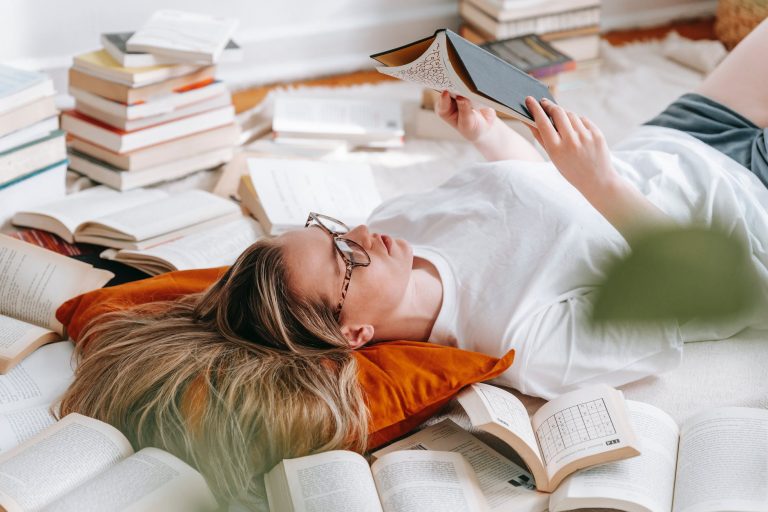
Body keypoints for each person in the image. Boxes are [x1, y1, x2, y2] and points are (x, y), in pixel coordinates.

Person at [59, 19, 768, 505]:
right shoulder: (526, 342)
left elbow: (543, 206)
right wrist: (600, 181)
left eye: (334, 231)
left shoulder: (398, 232)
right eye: (347, 258)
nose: (364, 233)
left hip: (679, 141)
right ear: (355, 334)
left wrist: (490, 136)